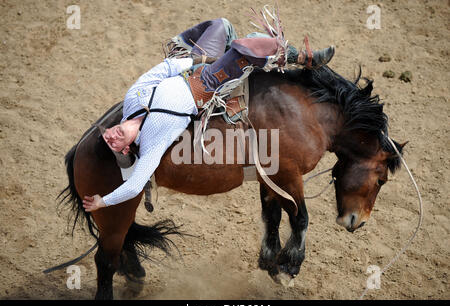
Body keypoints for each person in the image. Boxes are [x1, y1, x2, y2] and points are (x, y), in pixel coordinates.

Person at [82, 17, 335, 212]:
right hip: (208, 84)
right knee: (246, 46)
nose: (111, 135)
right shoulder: (151, 142)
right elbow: (134, 186)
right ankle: (304, 58)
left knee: (220, 25)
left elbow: (164, 69)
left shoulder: (132, 99)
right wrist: (102, 202)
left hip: (191, 66)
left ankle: (228, 53)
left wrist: (198, 60)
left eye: (107, 134)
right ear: (125, 149)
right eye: (113, 143)